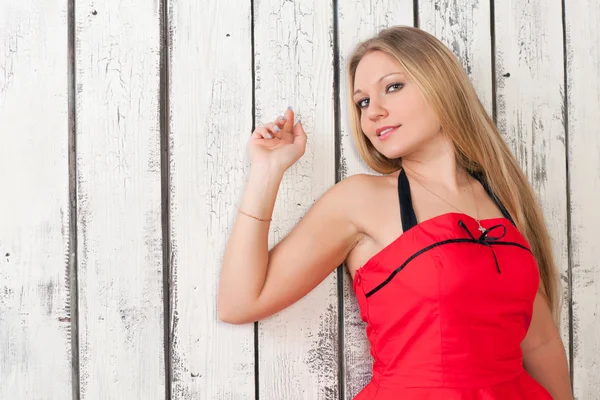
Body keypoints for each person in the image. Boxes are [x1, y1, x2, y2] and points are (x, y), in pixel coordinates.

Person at [217, 25, 572, 399]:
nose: (374, 113)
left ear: (441, 85)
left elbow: (540, 344)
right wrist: (266, 172)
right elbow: (239, 303)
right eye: (363, 102)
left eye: (393, 87)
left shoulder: (503, 198)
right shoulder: (360, 200)